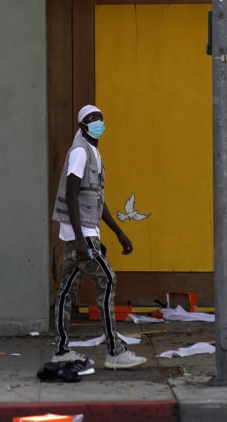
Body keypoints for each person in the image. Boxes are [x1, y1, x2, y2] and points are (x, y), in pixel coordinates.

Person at [50, 105, 146, 370]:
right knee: (107, 278)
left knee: (66, 291)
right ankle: (114, 350)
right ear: (82, 126)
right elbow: (71, 194)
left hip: (85, 232)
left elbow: (96, 200)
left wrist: (118, 232)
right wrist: (81, 240)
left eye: (100, 118)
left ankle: (61, 350)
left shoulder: (93, 153)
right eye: (91, 120)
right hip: (81, 235)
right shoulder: (80, 151)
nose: (98, 123)